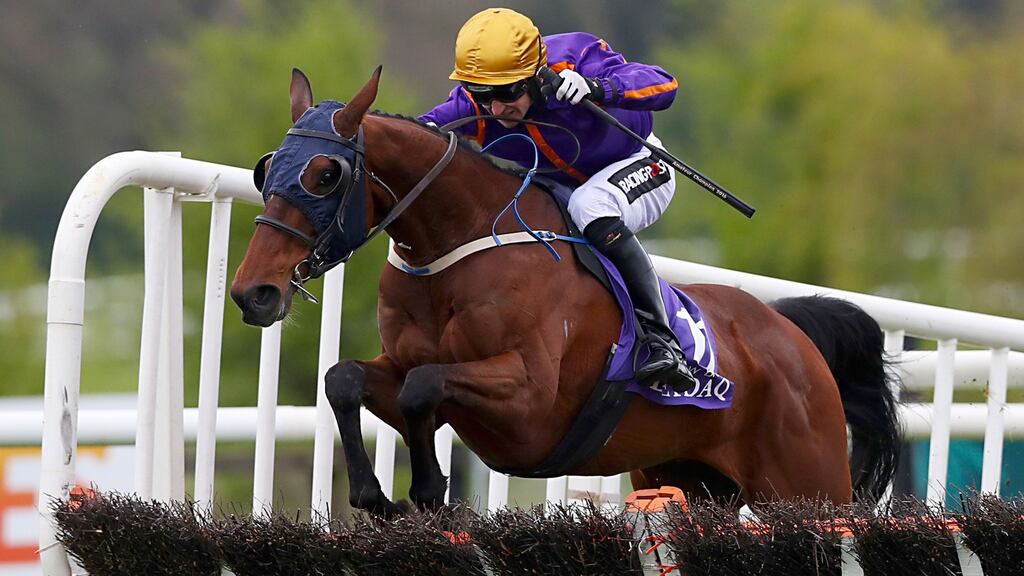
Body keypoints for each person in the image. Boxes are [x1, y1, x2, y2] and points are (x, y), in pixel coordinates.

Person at [420, 8, 695, 391]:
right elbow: (416, 134)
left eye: (507, 92)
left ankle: (662, 342)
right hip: (564, 189)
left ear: (535, 75)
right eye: (483, 95)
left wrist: (598, 89)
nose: (497, 109)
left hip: (641, 163)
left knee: (590, 206)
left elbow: (665, 84)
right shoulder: (473, 106)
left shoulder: (577, 55)